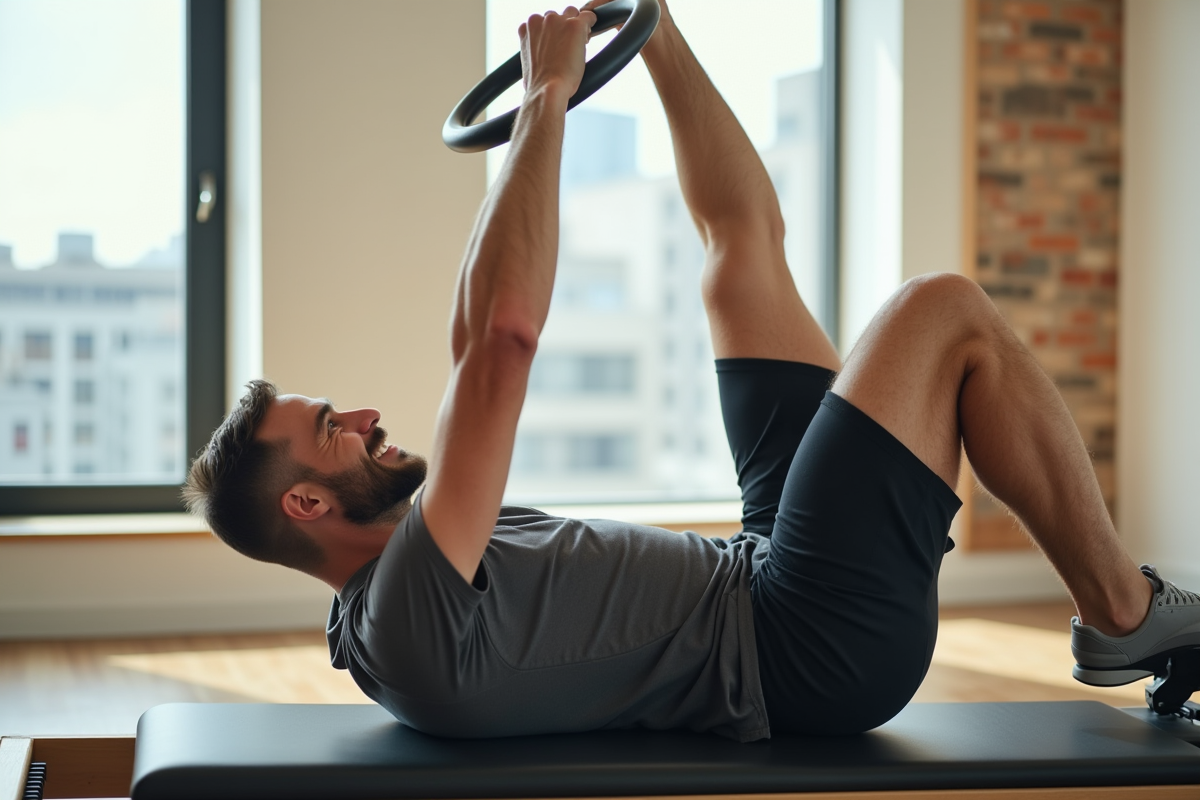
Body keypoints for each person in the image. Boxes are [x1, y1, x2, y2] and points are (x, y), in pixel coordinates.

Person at [183, 2, 1199, 741]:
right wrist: (546, 96)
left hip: (762, 570)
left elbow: (473, 327)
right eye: (331, 427)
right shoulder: (406, 609)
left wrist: (647, 30)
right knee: (942, 310)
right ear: (307, 502)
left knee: (741, 254)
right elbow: (498, 341)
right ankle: (1121, 611)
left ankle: (666, 27)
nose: (364, 414)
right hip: (803, 639)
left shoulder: (401, 581)